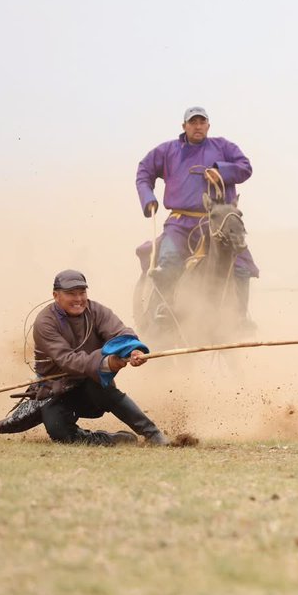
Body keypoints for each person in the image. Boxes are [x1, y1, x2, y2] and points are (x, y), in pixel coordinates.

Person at [136, 106, 259, 323]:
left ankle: (241, 316)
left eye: (202, 122)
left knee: (241, 266)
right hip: (180, 222)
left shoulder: (223, 146)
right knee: (169, 259)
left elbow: (245, 167)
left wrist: (221, 171)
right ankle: (165, 308)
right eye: (193, 122)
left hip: (219, 220)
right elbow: (144, 171)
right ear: (184, 126)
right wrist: (148, 199)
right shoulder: (167, 151)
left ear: (208, 126)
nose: (198, 126)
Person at [31, 270, 166, 445]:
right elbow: (67, 360)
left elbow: (120, 333)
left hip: (91, 382)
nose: (78, 299)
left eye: (82, 293)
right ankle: (107, 439)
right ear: (56, 295)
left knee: (105, 391)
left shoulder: (96, 311)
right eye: (71, 294)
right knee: (61, 433)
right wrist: (106, 363)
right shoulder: (45, 322)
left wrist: (133, 350)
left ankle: (153, 434)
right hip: (55, 389)